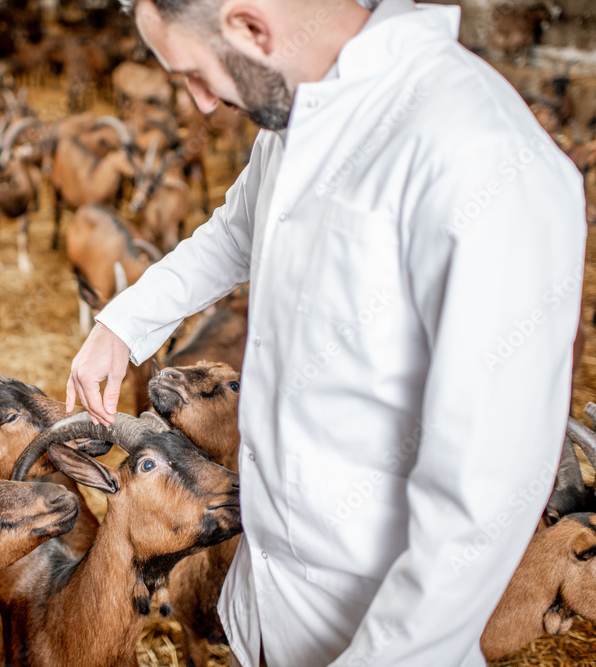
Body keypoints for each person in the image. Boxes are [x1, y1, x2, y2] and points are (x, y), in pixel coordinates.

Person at [64, 0, 588, 665]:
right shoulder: (298, 115)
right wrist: (124, 322)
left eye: (195, 73)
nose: (198, 105)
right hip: (270, 604)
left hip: (379, 634)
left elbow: (483, 496)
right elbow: (235, 230)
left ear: (252, 28)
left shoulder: (485, 161)